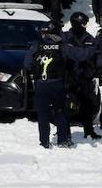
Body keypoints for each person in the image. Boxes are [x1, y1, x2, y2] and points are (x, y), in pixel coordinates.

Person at [26, 18, 73, 148]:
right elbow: (75, 56)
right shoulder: (62, 45)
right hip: (57, 84)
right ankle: (63, 140)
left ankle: (44, 142)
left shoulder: (36, 45)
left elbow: (27, 64)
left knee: (43, 114)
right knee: (60, 112)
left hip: (41, 84)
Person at [63, 12, 102, 139]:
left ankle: (89, 130)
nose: (85, 26)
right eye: (83, 23)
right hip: (69, 75)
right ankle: (64, 132)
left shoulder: (89, 38)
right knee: (65, 104)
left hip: (85, 76)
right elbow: (68, 53)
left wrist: (100, 67)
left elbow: (98, 53)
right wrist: (84, 53)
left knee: (87, 103)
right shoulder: (65, 37)